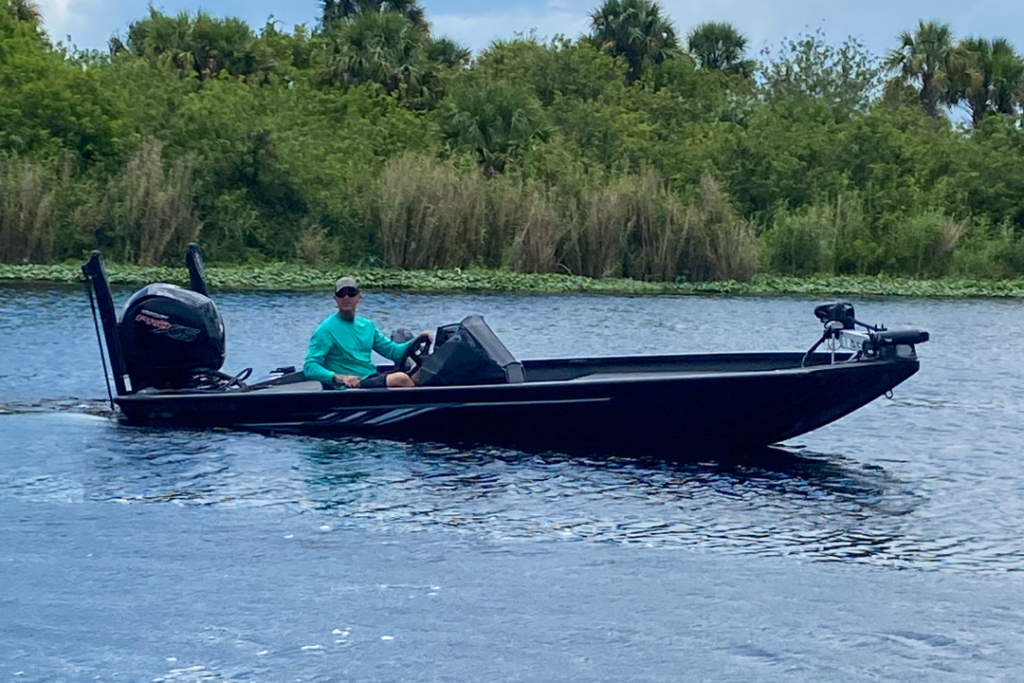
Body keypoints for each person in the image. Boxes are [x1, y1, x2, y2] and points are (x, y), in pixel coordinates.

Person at [303, 276, 430, 389]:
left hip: (368, 378)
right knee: (400, 379)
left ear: (359, 297)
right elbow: (310, 367)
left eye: (351, 293)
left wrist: (418, 339)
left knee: (420, 375)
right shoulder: (325, 329)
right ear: (335, 298)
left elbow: (393, 352)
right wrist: (340, 377)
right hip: (347, 386)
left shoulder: (367, 326)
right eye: (341, 294)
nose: (346, 297)